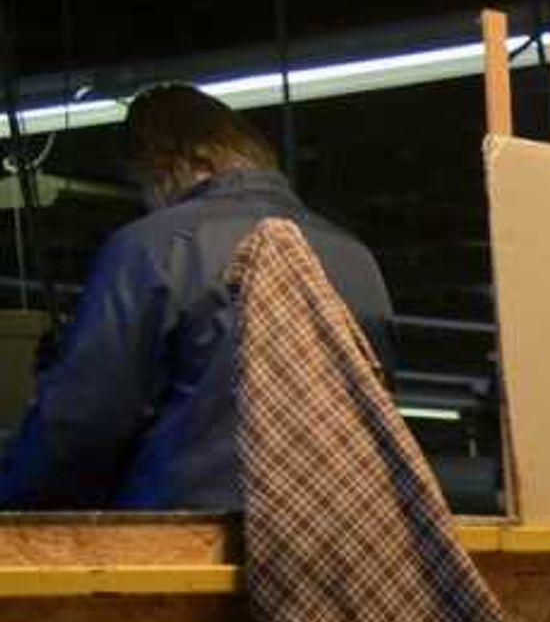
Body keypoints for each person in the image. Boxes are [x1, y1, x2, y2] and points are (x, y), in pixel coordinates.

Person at [0, 85, 394, 511]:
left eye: (146, 186)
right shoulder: (357, 259)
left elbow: (81, 423)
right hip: (327, 539)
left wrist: (14, 503)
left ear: (180, 164)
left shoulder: (153, 247)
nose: (151, 202)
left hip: (187, 545)